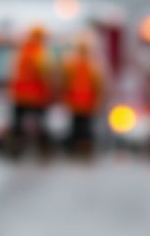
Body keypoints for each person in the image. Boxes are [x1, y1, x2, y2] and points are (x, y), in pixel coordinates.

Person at [9, 26, 55, 155]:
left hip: (20, 95)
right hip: (37, 95)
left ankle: (16, 148)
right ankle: (43, 149)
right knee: (41, 124)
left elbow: (13, 72)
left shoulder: (21, 51)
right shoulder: (40, 52)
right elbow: (45, 72)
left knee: (18, 125)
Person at [62, 37, 105, 154]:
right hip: (86, 102)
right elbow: (99, 84)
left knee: (77, 126)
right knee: (84, 127)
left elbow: (65, 81)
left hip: (76, 102)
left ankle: (76, 146)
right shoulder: (93, 65)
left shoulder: (71, 63)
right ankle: (84, 146)